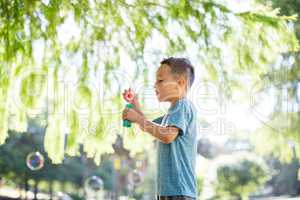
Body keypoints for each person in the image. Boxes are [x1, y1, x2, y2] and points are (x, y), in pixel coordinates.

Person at [122, 57, 197, 200]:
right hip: (170, 191)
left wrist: (138, 119)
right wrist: (135, 104)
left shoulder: (182, 105)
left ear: (180, 83)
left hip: (179, 191)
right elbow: (150, 126)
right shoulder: (172, 114)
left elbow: (167, 136)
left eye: (160, 80)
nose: (155, 85)